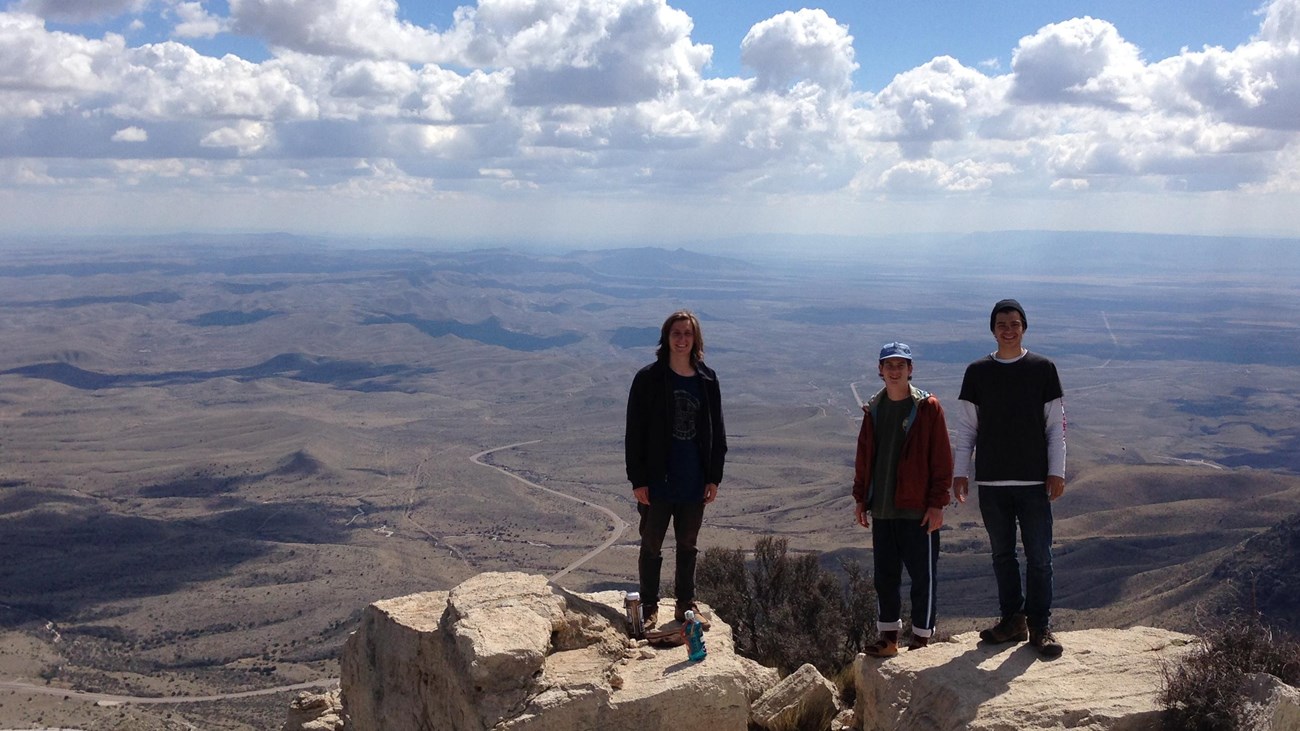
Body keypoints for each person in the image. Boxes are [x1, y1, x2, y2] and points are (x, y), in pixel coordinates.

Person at [953, 299, 1067, 658]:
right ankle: (1012, 620)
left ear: (1024, 328)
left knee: (1039, 557)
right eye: (1002, 324)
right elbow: (967, 428)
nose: (1008, 329)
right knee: (1002, 555)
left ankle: (1040, 626)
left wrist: (1056, 471)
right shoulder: (977, 372)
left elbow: (1055, 428)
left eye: (1015, 323)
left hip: (1033, 481)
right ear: (993, 329)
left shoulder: (1043, 369)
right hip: (992, 481)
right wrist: (961, 471)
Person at [625, 310, 726, 628]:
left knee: (688, 545)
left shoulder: (707, 380)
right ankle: (650, 606)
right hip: (657, 480)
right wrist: (638, 479)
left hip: (693, 478)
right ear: (666, 339)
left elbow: (717, 431)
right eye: (676, 334)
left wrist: (713, 476)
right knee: (651, 545)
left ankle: (686, 605)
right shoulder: (649, 379)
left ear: (696, 340)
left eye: (687, 334)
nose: (682, 340)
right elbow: (634, 432)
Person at [853, 342, 954, 657]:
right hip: (883, 508)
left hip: (918, 509)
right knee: (885, 576)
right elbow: (864, 457)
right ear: (880, 371)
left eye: (901, 365)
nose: (895, 370)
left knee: (923, 575)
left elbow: (941, 458)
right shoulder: (875, 408)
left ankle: (921, 638)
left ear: (911, 370)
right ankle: (889, 638)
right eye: (889, 365)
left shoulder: (927, 407)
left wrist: (937, 503)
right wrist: (860, 498)